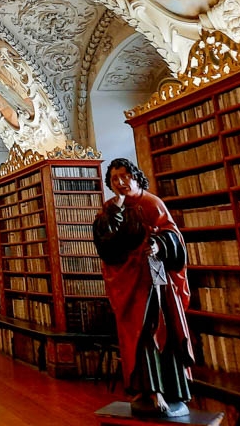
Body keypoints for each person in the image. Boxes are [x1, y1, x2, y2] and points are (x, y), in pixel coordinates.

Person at [93, 158, 194, 417]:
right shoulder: (109, 208)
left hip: (156, 283)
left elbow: (173, 235)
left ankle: (170, 391)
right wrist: (111, 219)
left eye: (125, 176)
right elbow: (105, 246)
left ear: (136, 177)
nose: (121, 182)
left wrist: (159, 245)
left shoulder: (151, 203)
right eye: (115, 179)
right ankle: (147, 390)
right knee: (139, 338)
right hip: (130, 285)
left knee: (162, 332)